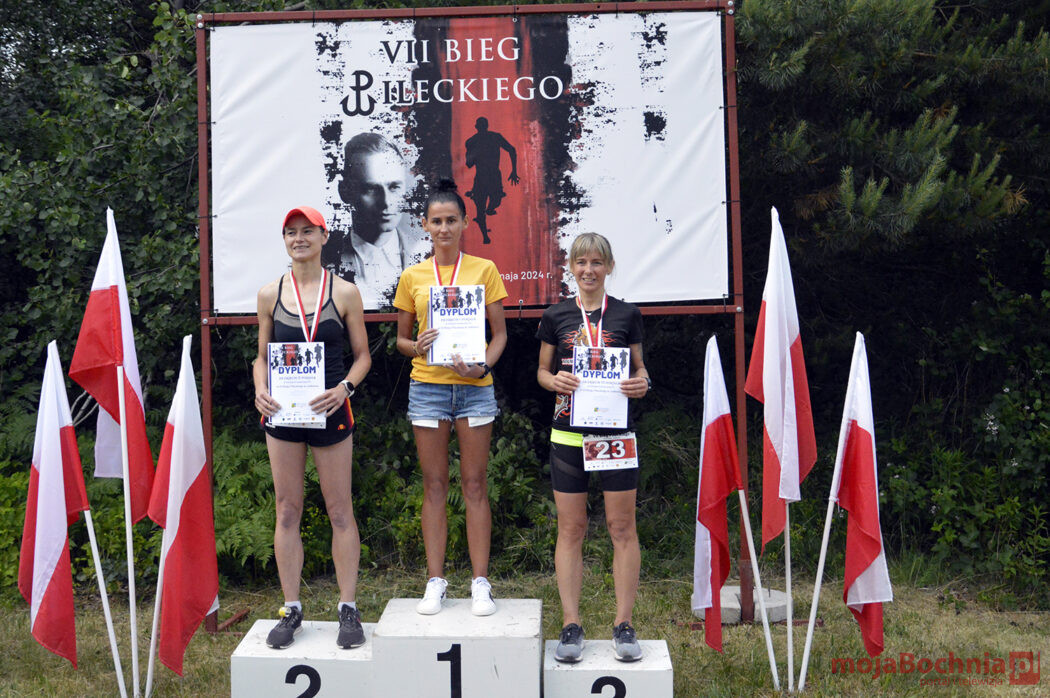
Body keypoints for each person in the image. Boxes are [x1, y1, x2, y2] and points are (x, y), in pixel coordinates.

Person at [253, 206, 372, 650]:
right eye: (291, 232)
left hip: (330, 410)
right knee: (287, 511)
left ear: (324, 236)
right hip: (283, 414)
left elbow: (363, 357)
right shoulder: (269, 294)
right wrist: (260, 388)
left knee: (340, 511)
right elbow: (261, 357)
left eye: (307, 231)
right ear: (284, 239)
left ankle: (348, 608)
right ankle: (291, 608)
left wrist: (344, 389)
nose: (299, 238)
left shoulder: (344, 293)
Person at [393, 179, 508, 616]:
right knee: (435, 485)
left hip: (475, 390)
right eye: (437, 221)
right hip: (428, 389)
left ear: (465, 223)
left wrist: (484, 367)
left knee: (475, 484)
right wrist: (417, 346)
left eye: (451, 220)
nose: (444, 228)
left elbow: (500, 336)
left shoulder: (484, 270)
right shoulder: (413, 276)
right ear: (424, 225)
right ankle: (435, 581)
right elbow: (401, 341)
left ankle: (480, 582)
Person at [536, 233, 651, 663]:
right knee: (571, 529)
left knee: (622, 528)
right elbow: (542, 372)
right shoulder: (556, 315)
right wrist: (554, 380)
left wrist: (642, 383)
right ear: (571, 267)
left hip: (615, 433)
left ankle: (624, 624)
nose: (589, 270)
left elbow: (640, 369)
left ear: (609, 267)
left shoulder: (627, 314)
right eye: (581, 262)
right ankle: (571, 624)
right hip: (568, 434)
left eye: (597, 262)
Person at [324, 132, 427, 308]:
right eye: (371, 189)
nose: (386, 202)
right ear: (345, 191)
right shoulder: (323, 262)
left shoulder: (426, 256)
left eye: (394, 187)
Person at [464, 117, 519, 244]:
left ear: (477, 127)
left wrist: (514, 171)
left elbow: (512, 150)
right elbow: (469, 164)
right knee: (482, 207)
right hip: (483, 178)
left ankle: (488, 211)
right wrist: (514, 171)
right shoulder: (474, 141)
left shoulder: (493, 138)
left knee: (493, 202)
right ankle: (485, 237)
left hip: (491, 177)